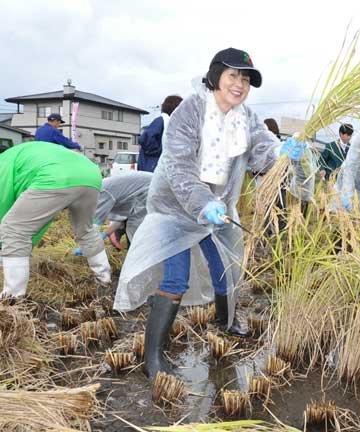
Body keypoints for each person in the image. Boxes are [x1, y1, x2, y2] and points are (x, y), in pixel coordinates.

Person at [112, 47, 306, 378]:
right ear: (216, 76)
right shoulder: (191, 111)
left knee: (227, 268)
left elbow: (262, 153)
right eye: (233, 76)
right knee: (175, 276)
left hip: (220, 210)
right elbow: (179, 167)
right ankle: (153, 357)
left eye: (246, 79)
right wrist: (203, 203)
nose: (240, 84)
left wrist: (282, 153)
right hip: (176, 209)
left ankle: (226, 321)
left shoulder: (246, 118)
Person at [0, 141, 110, 298]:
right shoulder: (23, 154)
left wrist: (7, 244)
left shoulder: (3, 162)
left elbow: (3, 202)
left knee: (13, 229)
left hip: (55, 176)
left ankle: (12, 298)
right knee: (85, 230)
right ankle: (104, 278)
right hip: (91, 174)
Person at [73, 171, 153, 255]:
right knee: (134, 228)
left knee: (137, 231)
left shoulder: (101, 194)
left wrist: (88, 246)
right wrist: (104, 234)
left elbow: (94, 226)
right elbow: (121, 219)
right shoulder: (107, 191)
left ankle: (140, 259)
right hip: (147, 187)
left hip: (151, 189)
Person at [137, 95, 184, 172]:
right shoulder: (161, 121)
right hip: (152, 168)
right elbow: (146, 139)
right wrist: (162, 150)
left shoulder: (168, 123)